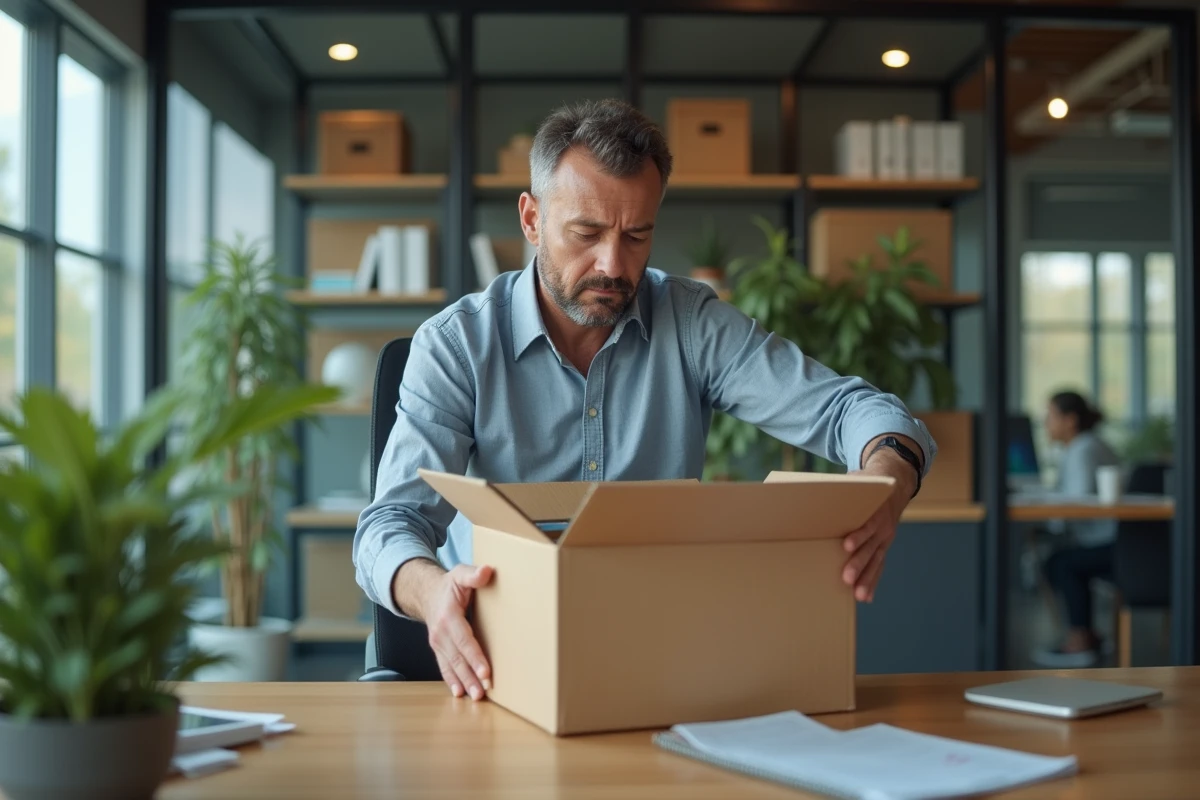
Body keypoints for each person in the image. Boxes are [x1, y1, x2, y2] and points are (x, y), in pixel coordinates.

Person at [353, 99, 937, 701]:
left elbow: (850, 410)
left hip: (654, 661)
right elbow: (388, 526)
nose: (613, 264)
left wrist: (888, 481)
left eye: (637, 235)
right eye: (586, 233)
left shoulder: (690, 322)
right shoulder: (457, 345)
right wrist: (433, 593)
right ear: (531, 219)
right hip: (496, 667)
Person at [1032, 390, 1121, 668]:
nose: (1046, 423)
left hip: (1115, 545)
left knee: (1061, 564)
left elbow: (1077, 501)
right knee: (1063, 560)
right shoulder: (1082, 446)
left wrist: (1042, 504)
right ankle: (1086, 635)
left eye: (1051, 416)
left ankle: (1079, 642)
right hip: (1113, 541)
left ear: (1070, 420)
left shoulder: (1084, 448)